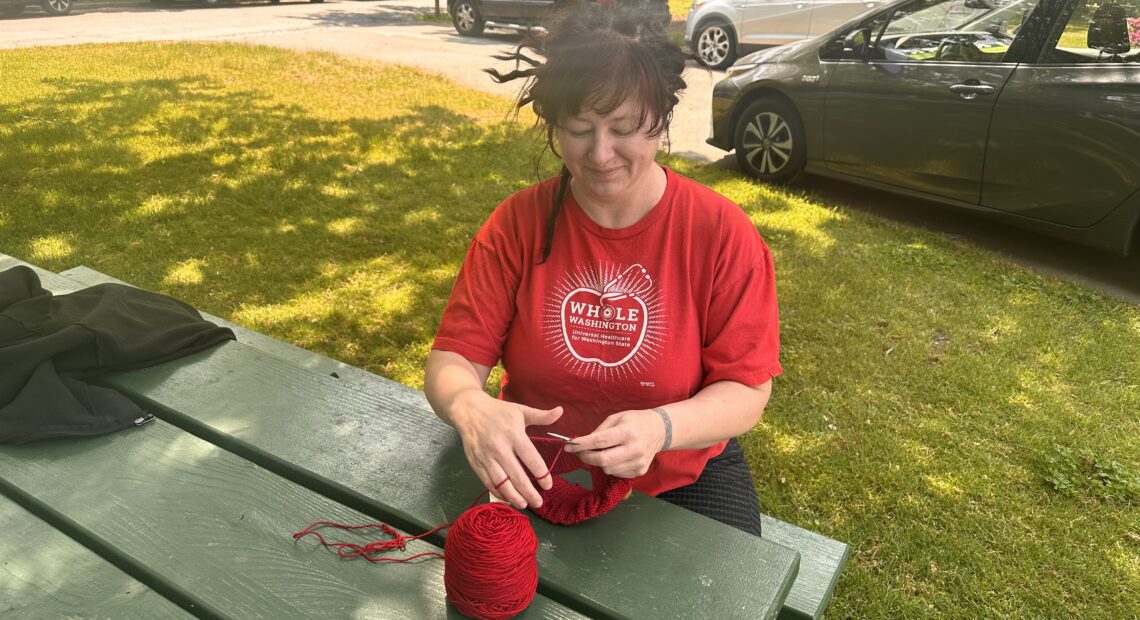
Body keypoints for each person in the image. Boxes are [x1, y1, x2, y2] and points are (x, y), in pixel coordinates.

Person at [424, 0, 780, 536]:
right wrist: (470, 406)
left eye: (624, 127)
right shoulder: (518, 224)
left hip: (679, 473)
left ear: (661, 118)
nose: (600, 153)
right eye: (579, 128)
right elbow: (453, 358)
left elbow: (745, 391)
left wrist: (662, 427)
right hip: (536, 467)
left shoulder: (721, 234)